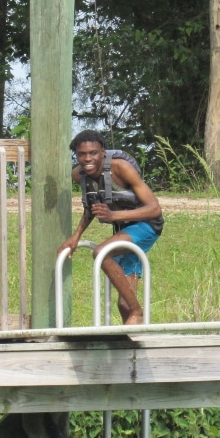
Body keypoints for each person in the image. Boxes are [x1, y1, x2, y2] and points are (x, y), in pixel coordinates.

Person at [57, 130, 163, 325]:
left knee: (102, 252)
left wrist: (114, 215)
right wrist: (75, 237)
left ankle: (138, 312)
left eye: (93, 153)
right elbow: (90, 208)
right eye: (82, 154)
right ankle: (131, 346)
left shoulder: (121, 168)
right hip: (123, 231)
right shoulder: (79, 175)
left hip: (146, 226)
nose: (88, 158)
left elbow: (154, 208)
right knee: (124, 303)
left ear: (103, 152)